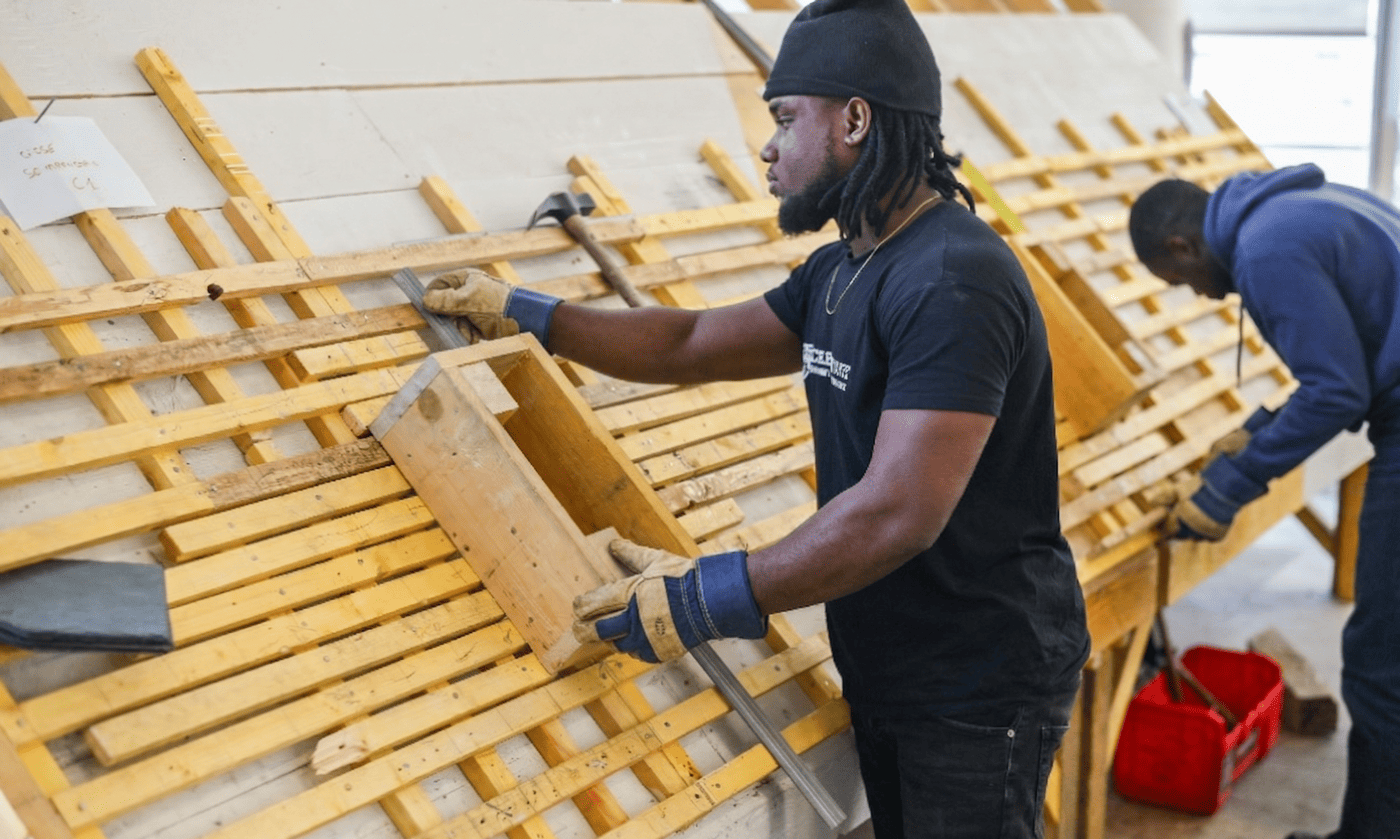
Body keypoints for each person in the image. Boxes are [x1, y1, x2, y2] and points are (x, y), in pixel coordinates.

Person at [423, 0, 1089, 835]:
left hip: (976, 678)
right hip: (896, 657)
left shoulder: (953, 276)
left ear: (854, 119)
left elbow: (899, 511)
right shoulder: (843, 270)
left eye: (784, 119)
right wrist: (527, 312)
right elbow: (689, 341)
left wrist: (706, 597)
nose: (767, 146)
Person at [1128, 164, 1400, 839]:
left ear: (1181, 247)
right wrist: (1251, 435)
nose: (1201, 296)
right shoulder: (1297, 206)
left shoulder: (1264, 247)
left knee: (1378, 660)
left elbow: (1338, 393)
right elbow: (1349, 362)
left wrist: (1228, 486)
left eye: (1178, 281)